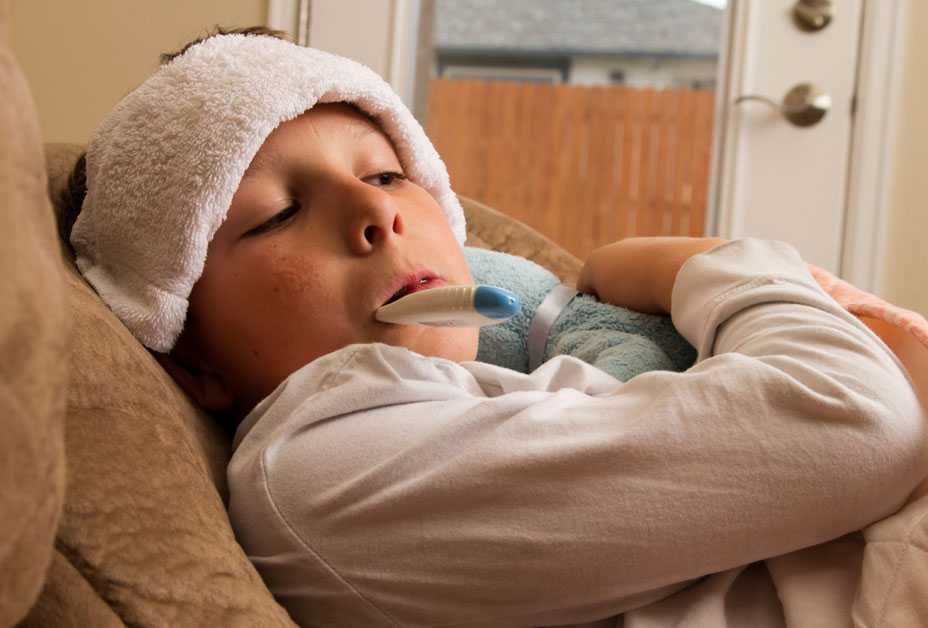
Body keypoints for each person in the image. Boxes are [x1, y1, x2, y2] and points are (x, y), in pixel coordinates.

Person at [61, 26, 925, 627]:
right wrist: (702, 262)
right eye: (279, 214)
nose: (375, 212)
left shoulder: (490, 388)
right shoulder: (328, 471)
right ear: (193, 352)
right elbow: (853, 419)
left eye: (390, 175)